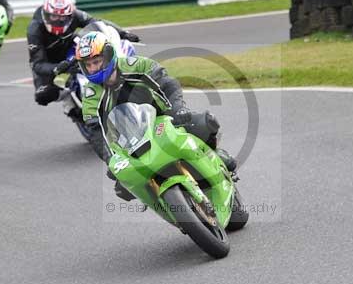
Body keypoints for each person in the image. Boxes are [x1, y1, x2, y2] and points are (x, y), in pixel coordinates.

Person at [74, 31, 236, 201]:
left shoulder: (134, 65)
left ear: (108, 55)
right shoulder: (90, 93)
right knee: (123, 189)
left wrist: (178, 108)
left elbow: (168, 83)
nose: (93, 68)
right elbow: (95, 130)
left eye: (97, 61)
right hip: (130, 139)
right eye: (88, 64)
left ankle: (218, 156)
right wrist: (111, 160)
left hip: (164, 116)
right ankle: (167, 206)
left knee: (205, 122)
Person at [27, 0, 140, 108]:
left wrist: (123, 33)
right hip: (49, 60)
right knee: (42, 95)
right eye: (54, 16)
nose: (59, 21)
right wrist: (57, 68)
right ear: (46, 14)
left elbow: (97, 22)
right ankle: (70, 101)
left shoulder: (74, 14)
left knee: (94, 56)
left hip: (68, 47)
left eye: (63, 17)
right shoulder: (35, 29)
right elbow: (37, 64)